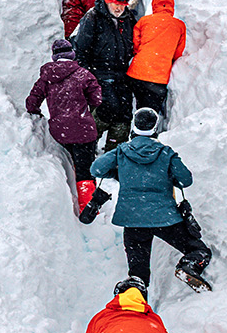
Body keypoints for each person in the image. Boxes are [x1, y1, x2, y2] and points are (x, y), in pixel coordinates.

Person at [91, 108, 214, 291]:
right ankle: (188, 266)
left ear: (134, 126)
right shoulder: (165, 153)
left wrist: (119, 174)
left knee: (137, 277)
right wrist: (167, 177)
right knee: (199, 250)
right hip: (165, 218)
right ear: (155, 128)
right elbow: (185, 180)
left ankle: (138, 310)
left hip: (133, 220)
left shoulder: (122, 152)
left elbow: (96, 169)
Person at [26, 36, 108, 221]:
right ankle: (88, 210)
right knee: (85, 170)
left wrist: (35, 113)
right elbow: (97, 100)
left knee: (71, 163)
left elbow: (32, 101)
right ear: (71, 55)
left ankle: (74, 197)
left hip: (60, 131)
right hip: (83, 131)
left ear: (55, 56)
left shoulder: (46, 78)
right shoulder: (83, 74)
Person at [70, 0, 139, 150]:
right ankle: (84, 144)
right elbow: (80, 49)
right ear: (108, 1)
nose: (118, 8)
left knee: (124, 113)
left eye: (122, 5)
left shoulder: (128, 19)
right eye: (115, 4)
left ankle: (115, 153)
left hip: (121, 74)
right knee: (107, 107)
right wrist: (86, 77)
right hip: (98, 72)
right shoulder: (93, 17)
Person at [126, 0, 187, 119]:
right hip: (158, 78)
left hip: (137, 73)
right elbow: (178, 53)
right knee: (150, 112)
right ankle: (147, 133)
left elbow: (135, 44)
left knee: (139, 106)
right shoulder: (179, 25)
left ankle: (137, 129)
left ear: (154, 4)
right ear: (171, 6)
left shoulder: (144, 21)